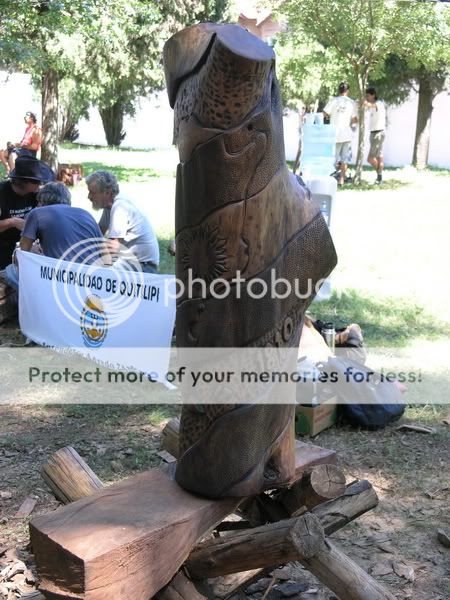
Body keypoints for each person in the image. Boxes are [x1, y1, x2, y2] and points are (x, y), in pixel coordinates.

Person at [4, 182, 105, 289]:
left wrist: (29, 251)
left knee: (10, 271)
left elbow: (23, 253)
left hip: (62, 282)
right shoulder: (86, 214)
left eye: (38, 202)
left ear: (42, 201)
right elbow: (104, 253)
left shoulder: (36, 213)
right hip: (93, 280)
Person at [85, 170, 160, 273]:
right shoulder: (109, 205)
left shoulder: (119, 207)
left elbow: (113, 248)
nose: (89, 197)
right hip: (134, 264)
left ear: (107, 192)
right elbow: (98, 234)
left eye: (92, 192)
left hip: (142, 267)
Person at [0, 156, 43, 269]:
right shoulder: (2, 192)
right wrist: (12, 222)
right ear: (23, 182)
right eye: (36, 181)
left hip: (23, 245)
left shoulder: (35, 194)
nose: (40, 184)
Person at [323, 82, 358, 186]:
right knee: (344, 159)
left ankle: (328, 179)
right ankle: (342, 179)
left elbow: (325, 113)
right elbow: (355, 119)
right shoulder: (351, 102)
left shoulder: (334, 100)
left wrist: (330, 117)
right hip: (346, 134)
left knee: (332, 158)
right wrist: (349, 122)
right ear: (347, 91)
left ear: (339, 90)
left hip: (335, 134)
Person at [364, 87, 386, 185]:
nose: (367, 97)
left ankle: (379, 176)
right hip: (375, 133)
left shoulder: (378, 104)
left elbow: (370, 105)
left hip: (378, 134)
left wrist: (363, 103)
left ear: (373, 95)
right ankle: (379, 179)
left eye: (368, 95)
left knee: (370, 158)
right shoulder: (373, 106)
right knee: (379, 157)